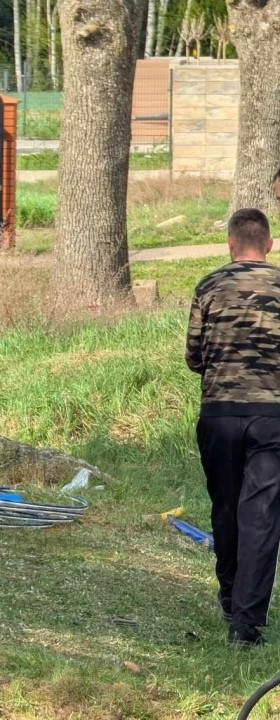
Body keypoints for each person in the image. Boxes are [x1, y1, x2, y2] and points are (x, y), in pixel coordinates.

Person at [186, 208, 280, 648]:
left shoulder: (209, 285)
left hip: (219, 413)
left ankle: (229, 594)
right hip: (272, 416)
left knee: (226, 508)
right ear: (269, 244)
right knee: (261, 515)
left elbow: (194, 357)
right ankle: (244, 621)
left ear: (230, 243)